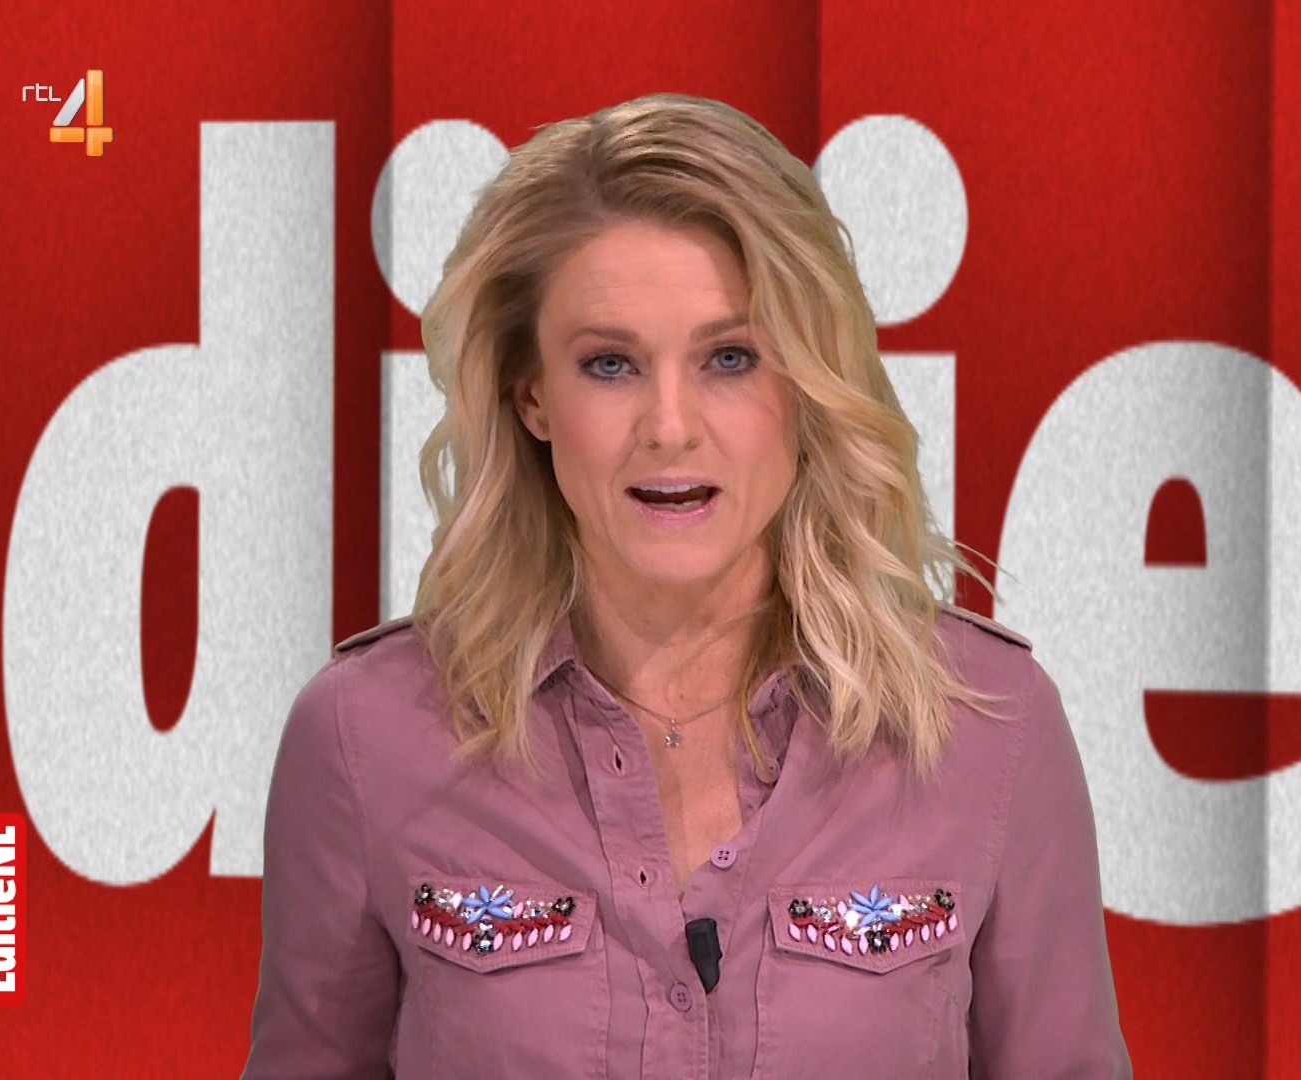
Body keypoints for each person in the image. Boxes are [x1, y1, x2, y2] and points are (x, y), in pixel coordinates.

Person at [242, 92, 1128, 1079]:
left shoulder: (989, 727)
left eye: (730, 358)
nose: (669, 427)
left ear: (807, 384)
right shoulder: (364, 736)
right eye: (610, 364)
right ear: (531, 396)